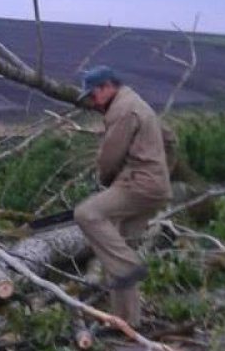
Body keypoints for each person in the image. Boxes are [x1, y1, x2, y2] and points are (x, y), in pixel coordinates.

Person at [73, 66, 171, 328]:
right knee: (113, 249)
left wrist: (105, 181)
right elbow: (170, 138)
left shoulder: (122, 109)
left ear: (106, 87)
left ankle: (130, 266)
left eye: (93, 96)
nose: (92, 103)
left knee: (86, 213)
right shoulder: (137, 101)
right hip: (151, 184)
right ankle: (127, 322)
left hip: (140, 185)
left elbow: (109, 158)